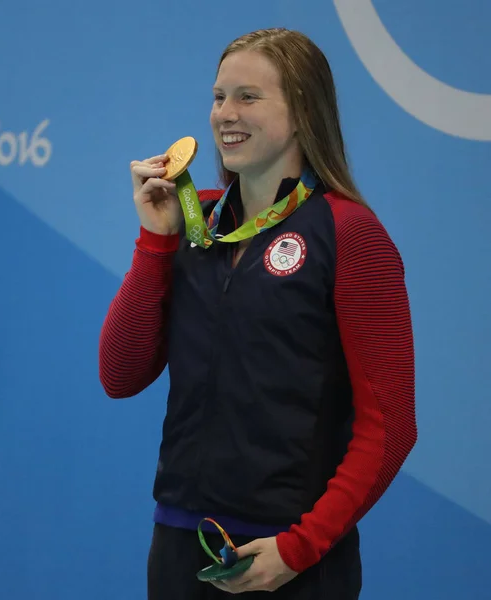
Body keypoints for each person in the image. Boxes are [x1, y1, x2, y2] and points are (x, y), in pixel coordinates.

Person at [99, 27, 417, 600]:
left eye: (249, 96)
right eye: (219, 96)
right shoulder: (196, 223)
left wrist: (300, 548)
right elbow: (119, 376)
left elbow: (391, 425)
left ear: (302, 112)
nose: (225, 113)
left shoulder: (351, 233)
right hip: (179, 548)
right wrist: (154, 243)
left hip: (291, 558)